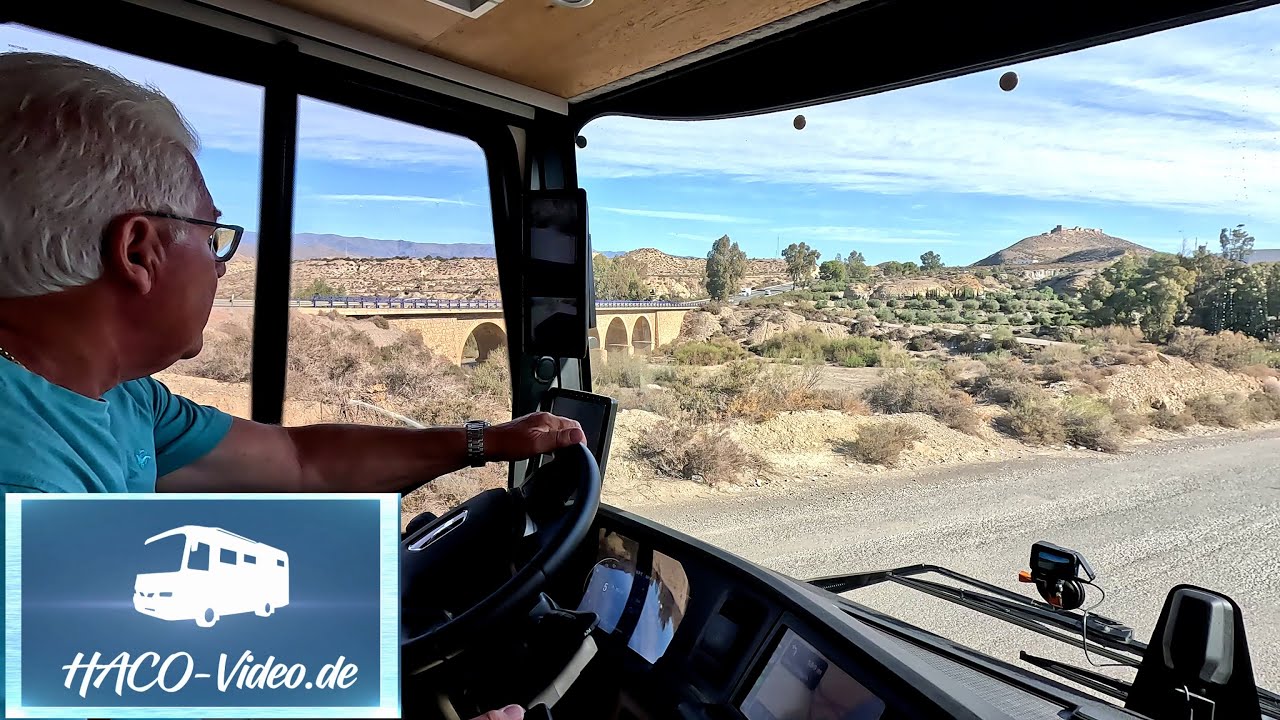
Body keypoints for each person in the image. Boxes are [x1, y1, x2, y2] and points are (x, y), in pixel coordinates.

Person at [0, 52, 579, 720]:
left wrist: (484, 442)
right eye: (213, 237)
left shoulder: (120, 395)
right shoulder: (23, 485)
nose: (222, 267)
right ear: (139, 251)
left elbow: (301, 461)